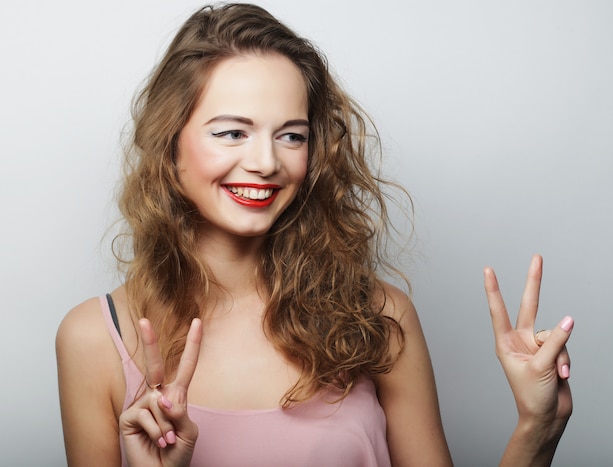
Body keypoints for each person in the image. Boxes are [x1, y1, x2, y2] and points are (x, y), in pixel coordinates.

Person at [56, 3, 574, 466]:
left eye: (291, 136)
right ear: (170, 145)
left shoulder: (378, 315)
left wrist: (538, 427)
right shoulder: (93, 340)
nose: (265, 162)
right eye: (232, 132)